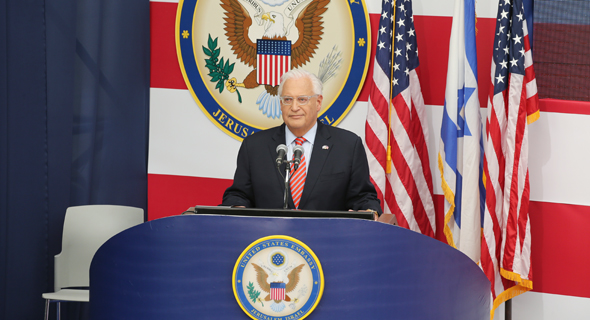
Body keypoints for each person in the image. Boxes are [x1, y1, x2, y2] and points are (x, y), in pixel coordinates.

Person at [221, 69, 382, 215]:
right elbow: (238, 195)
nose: (294, 107)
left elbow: (363, 197)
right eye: (288, 99)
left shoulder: (348, 146)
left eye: (302, 99)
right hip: (270, 242)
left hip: (327, 241)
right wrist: (237, 208)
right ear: (281, 104)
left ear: (318, 102)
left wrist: (368, 210)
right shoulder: (254, 146)